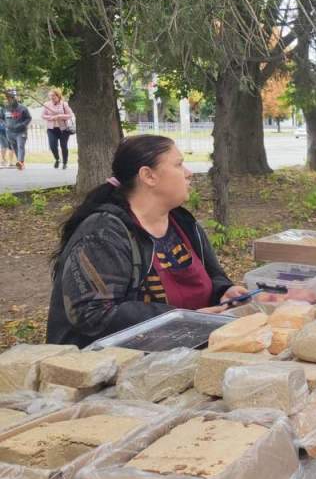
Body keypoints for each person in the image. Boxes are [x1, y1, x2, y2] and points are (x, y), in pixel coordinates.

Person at [47, 135, 248, 348]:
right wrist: (181, 319)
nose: (188, 173)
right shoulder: (103, 234)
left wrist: (224, 292)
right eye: (179, 164)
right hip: (109, 362)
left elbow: (213, 276)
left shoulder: (183, 223)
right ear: (148, 176)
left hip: (183, 349)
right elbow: (92, 313)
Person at [42, 89, 74, 170]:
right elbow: (43, 116)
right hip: (51, 129)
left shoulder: (64, 104)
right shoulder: (47, 104)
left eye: (53, 95)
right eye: (50, 96)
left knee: (64, 146)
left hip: (64, 129)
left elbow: (70, 115)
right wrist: (52, 117)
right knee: (52, 146)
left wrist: (60, 116)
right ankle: (57, 159)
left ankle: (65, 163)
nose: (51, 97)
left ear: (58, 96)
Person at [3, 90, 32, 171]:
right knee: (15, 147)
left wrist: (22, 125)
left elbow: (29, 118)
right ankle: (20, 163)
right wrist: (5, 124)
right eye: (8, 98)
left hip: (21, 132)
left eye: (11, 98)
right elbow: (1, 118)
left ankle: (20, 162)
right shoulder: (5, 108)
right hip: (10, 132)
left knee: (20, 146)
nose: (9, 99)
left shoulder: (23, 108)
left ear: (14, 98)